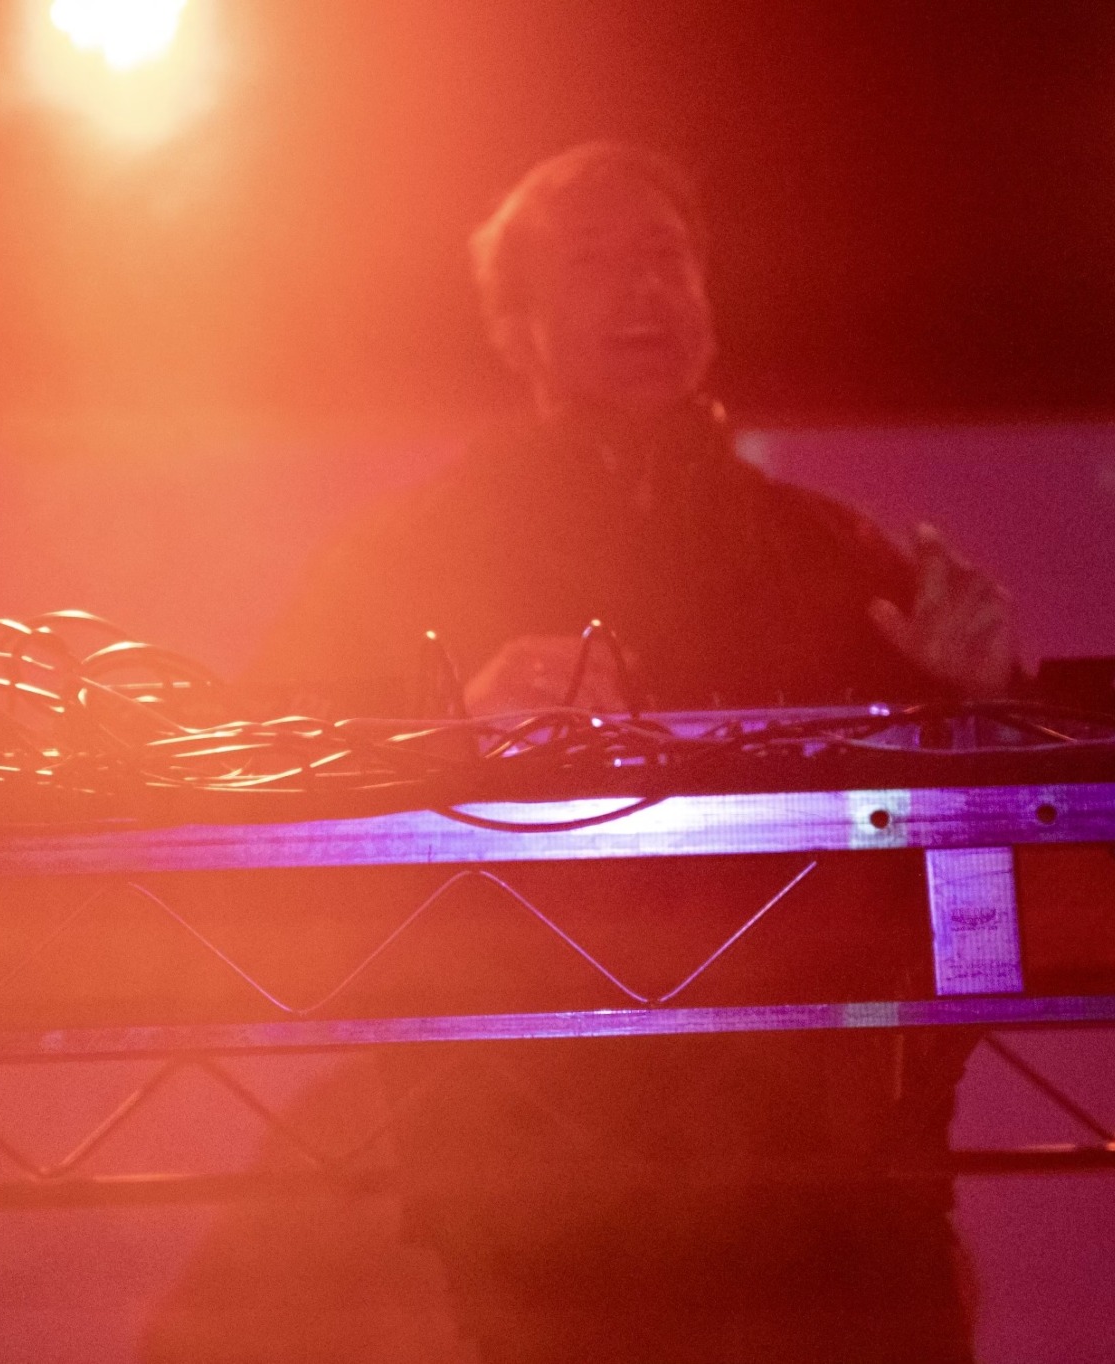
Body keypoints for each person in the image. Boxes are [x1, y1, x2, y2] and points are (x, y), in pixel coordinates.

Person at [242, 142, 1013, 1364]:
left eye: (666, 258)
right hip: (543, 1188)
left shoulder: (831, 551)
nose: (643, 289)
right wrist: (448, 724)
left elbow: (963, 864)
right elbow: (269, 776)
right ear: (513, 326)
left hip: (831, 1178)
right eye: (593, 263)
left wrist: (980, 701)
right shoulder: (402, 558)